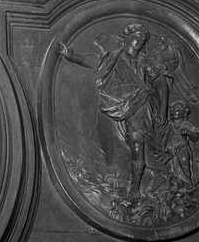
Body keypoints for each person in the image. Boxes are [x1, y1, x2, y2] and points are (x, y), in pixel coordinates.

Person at [59, 23, 154, 199]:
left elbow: (159, 82)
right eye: (136, 36)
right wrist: (71, 55)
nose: (140, 40)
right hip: (115, 105)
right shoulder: (113, 57)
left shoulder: (144, 63)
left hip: (138, 105)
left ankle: (135, 188)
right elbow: (94, 61)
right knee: (110, 143)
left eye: (143, 38)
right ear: (126, 38)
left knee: (137, 144)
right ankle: (115, 176)